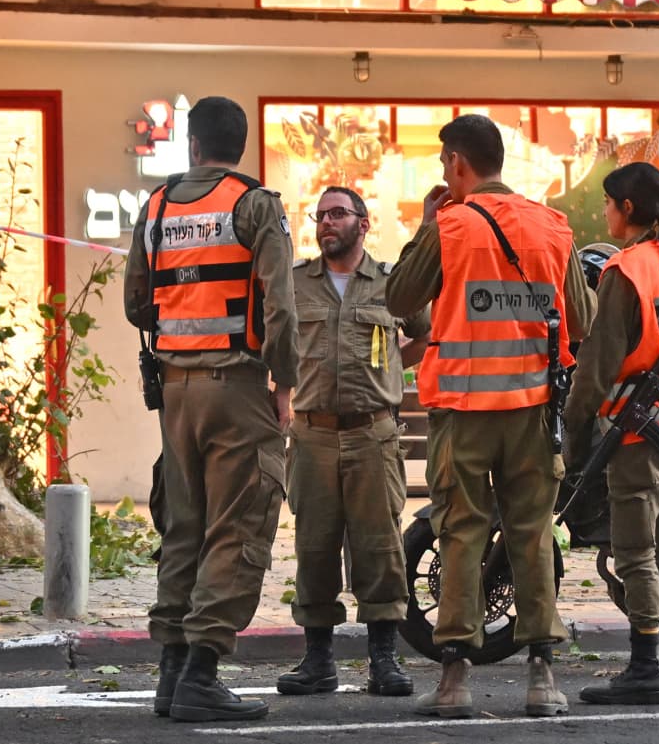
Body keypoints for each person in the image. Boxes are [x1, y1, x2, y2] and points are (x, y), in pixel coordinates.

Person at [386, 114, 596, 719]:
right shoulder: (553, 226)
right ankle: (541, 679)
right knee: (530, 535)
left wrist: (425, 227)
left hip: (464, 413)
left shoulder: (449, 226)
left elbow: (399, 298)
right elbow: (579, 323)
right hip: (533, 414)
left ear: (456, 163)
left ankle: (454, 682)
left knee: (462, 532)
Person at [124, 95, 298, 722]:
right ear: (239, 147)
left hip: (176, 392)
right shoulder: (254, 205)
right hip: (238, 387)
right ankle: (202, 671)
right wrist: (284, 385)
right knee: (238, 526)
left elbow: (136, 303)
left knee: (184, 527)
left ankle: (171, 675)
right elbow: (280, 305)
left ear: (193, 145)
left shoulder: (158, 205)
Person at [565, 163, 659, 705]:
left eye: (608, 202)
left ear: (627, 209)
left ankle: (645, 667)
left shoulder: (625, 271)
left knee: (636, 549)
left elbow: (595, 368)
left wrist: (575, 432)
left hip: (638, 431)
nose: (604, 211)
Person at [275, 186, 429, 699]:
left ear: (363, 224)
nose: (326, 223)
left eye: (338, 214)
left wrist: (389, 373)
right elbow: (272, 342)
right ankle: (317, 661)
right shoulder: (297, 284)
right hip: (312, 434)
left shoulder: (390, 285)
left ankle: (383, 660)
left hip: (373, 436)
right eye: (320, 216)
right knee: (314, 547)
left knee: (380, 548)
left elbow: (424, 333)